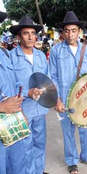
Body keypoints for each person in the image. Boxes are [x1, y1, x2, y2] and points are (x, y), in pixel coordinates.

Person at [49, 11, 87, 174]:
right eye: (67, 30)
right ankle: (71, 161)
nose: (70, 34)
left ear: (79, 32)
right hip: (64, 98)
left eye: (73, 30)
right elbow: (52, 76)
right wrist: (57, 99)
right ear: (62, 32)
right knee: (68, 131)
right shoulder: (56, 51)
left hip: (85, 98)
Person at [9, 16, 50, 174]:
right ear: (18, 37)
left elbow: (47, 78)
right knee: (25, 146)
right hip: (22, 110)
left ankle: (39, 170)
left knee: (40, 143)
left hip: (40, 108)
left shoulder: (40, 56)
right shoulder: (11, 57)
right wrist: (27, 92)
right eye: (26, 33)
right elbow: (9, 84)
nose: (31, 36)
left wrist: (46, 91)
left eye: (33, 33)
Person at [0, 11, 26, 174]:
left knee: (18, 167)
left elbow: (15, 83)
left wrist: (20, 110)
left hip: (12, 125)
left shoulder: (4, 53)